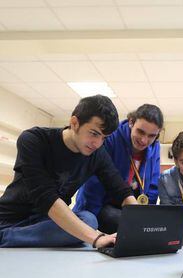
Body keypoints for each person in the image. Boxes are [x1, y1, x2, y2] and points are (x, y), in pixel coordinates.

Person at [0, 95, 137, 248]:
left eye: (104, 138)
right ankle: (5, 237)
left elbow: (121, 190)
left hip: (47, 223)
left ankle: (16, 239)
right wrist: (97, 238)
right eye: (94, 133)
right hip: (11, 219)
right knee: (87, 226)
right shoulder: (33, 140)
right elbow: (46, 199)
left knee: (88, 219)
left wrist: (143, 225)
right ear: (74, 123)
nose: (98, 144)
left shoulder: (97, 154)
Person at [74, 104, 163, 234]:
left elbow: (153, 185)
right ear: (131, 122)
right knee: (121, 222)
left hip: (132, 206)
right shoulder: (110, 138)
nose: (144, 140)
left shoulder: (155, 146)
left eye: (151, 135)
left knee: (154, 225)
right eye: (141, 132)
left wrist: (147, 218)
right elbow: (94, 182)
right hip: (103, 205)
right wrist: (89, 221)